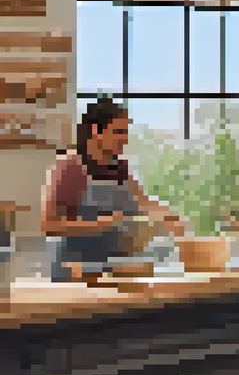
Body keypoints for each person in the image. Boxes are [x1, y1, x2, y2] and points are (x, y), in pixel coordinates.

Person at [40, 98, 186, 281]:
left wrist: (170, 217)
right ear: (96, 131)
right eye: (118, 132)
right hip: (75, 273)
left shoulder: (121, 169)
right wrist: (100, 223)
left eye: (125, 133)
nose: (124, 139)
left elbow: (143, 203)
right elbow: (49, 225)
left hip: (114, 271)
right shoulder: (70, 166)